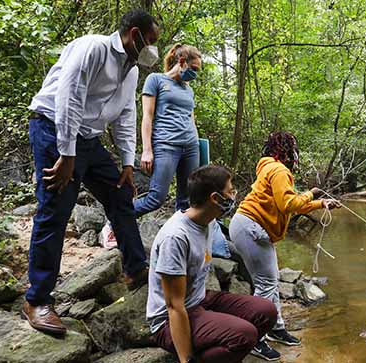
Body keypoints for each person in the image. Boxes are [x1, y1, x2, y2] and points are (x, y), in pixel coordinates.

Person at [22, 9, 160, 335]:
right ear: (135, 34)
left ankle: (135, 268)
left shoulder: (131, 71)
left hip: (87, 138)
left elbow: (126, 113)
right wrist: (66, 154)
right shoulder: (94, 48)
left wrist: (127, 162)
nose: (154, 48)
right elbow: (69, 97)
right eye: (151, 41)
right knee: (55, 208)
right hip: (53, 129)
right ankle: (37, 299)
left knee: (121, 192)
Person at [147, 165, 278, 363]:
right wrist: (185, 359)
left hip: (199, 299)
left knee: (265, 311)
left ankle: (224, 349)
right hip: (168, 320)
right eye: (231, 191)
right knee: (245, 334)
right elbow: (174, 306)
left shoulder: (209, 221)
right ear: (215, 198)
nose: (234, 196)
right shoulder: (175, 237)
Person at [229, 131, 340, 360]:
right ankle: (254, 339)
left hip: (245, 226)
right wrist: (312, 193)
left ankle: (275, 328)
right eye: (293, 150)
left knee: (269, 281)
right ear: (287, 151)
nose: (293, 156)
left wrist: (321, 202)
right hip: (251, 227)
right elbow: (288, 203)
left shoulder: (268, 167)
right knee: (265, 283)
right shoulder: (279, 170)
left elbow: (287, 202)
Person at [101, 44, 205, 247]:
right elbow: (147, 117)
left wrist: (199, 149)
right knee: (156, 197)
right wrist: (147, 150)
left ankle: (179, 241)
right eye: (194, 68)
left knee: (186, 200)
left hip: (190, 146)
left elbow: (191, 120)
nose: (195, 74)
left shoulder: (188, 89)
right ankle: (113, 222)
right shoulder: (156, 80)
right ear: (181, 62)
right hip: (166, 144)